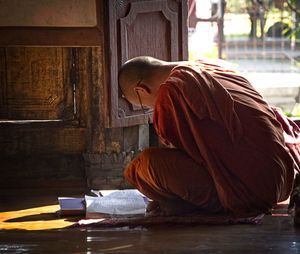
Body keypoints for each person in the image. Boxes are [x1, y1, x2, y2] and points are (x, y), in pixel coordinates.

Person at [118, 56, 296, 217]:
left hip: (250, 191)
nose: (151, 108)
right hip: (284, 179)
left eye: (144, 105)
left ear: (141, 90)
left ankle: (187, 206)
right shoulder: (214, 67)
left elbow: (187, 155)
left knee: (143, 167)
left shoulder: (172, 91)